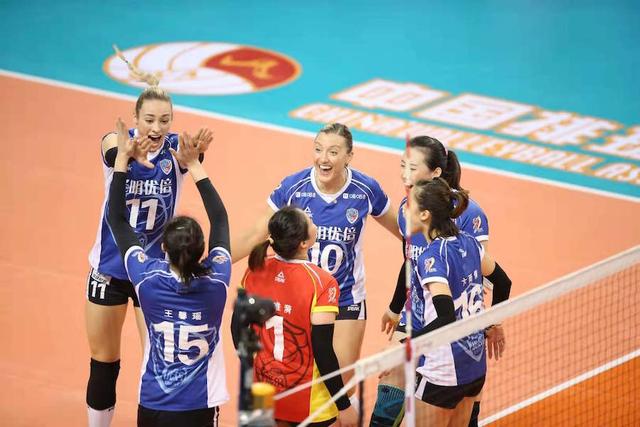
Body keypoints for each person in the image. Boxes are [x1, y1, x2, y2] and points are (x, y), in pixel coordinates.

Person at [85, 53, 213, 427]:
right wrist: (126, 156)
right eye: (150, 119)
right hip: (109, 269)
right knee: (104, 361)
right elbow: (111, 147)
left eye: (165, 120)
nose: (157, 127)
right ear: (136, 118)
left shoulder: (176, 151)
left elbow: (193, 158)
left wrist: (197, 154)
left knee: (157, 361)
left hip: (154, 273)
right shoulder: (117, 143)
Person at [232, 123, 401, 402]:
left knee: (338, 389)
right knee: (293, 383)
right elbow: (256, 234)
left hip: (345, 298)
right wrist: (211, 264)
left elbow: (407, 234)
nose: (323, 158)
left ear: (349, 156)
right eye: (318, 149)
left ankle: (339, 412)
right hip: (300, 299)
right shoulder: (294, 187)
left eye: (333, 152)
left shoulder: (365, 189)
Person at [372, 136, 511, 426]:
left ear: (435, 172)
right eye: (402, 165)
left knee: (457, 403)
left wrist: (488, 322)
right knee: (389, 397)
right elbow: (409, 261)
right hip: (419, 317)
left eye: (412, 167)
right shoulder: (409, 208)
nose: (404, 174)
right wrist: (395, 308)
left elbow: (477, 281)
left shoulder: (466, 218)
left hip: (452, 332)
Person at [108, 121, 231, 426]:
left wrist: (122, 160)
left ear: (163, 247)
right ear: (204, 250)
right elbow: (220, 218)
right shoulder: (217, 282)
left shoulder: (146, 280)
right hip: (199, 407)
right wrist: (194, 165)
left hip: (153, 405)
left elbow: (117, 219)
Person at [233, 206, 358, 427]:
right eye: (310, 222)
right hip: (309, 402)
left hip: (264, 392)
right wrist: (344, 405)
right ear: (304, 243)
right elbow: (323, 351)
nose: (315, 223)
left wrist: (254, 369)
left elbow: (237, 328)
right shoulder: (323, 283)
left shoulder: (254, 269)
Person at [407, 178, 510, 426]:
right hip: (474, 366)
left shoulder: (432, 257)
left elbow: (446, 317)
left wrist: (408, 347)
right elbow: (503, 282)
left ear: (425, 214)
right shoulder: (470, 242)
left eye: (409, 205)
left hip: (442, 372)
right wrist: (492, 323)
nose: (404, 211)